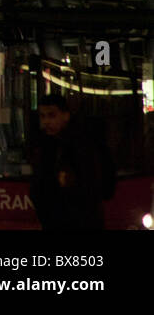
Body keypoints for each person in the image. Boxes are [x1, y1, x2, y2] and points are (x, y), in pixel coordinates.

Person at [30, 94, 111, 230]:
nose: (46, 122)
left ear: (66, 116)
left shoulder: (82, 146)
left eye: (52, 116)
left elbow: (91, 189)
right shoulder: (45, 146)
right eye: (42, 116)